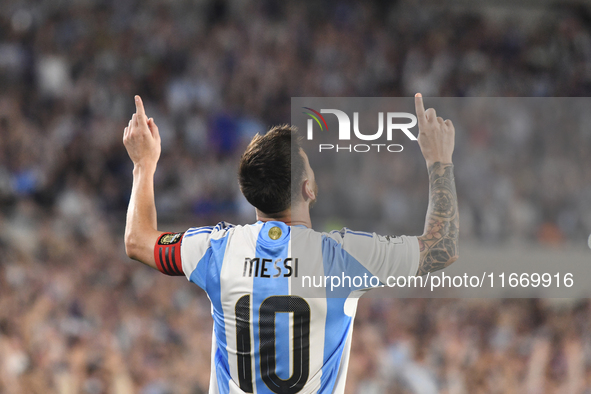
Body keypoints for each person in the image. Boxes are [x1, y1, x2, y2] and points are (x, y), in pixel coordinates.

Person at [122, 93, 459, 394]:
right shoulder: (342, 256)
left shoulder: (217, 249)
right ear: (307, 189)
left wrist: (143, 164)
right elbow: (441, 247)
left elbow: (138, 241)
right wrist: (438, 160)